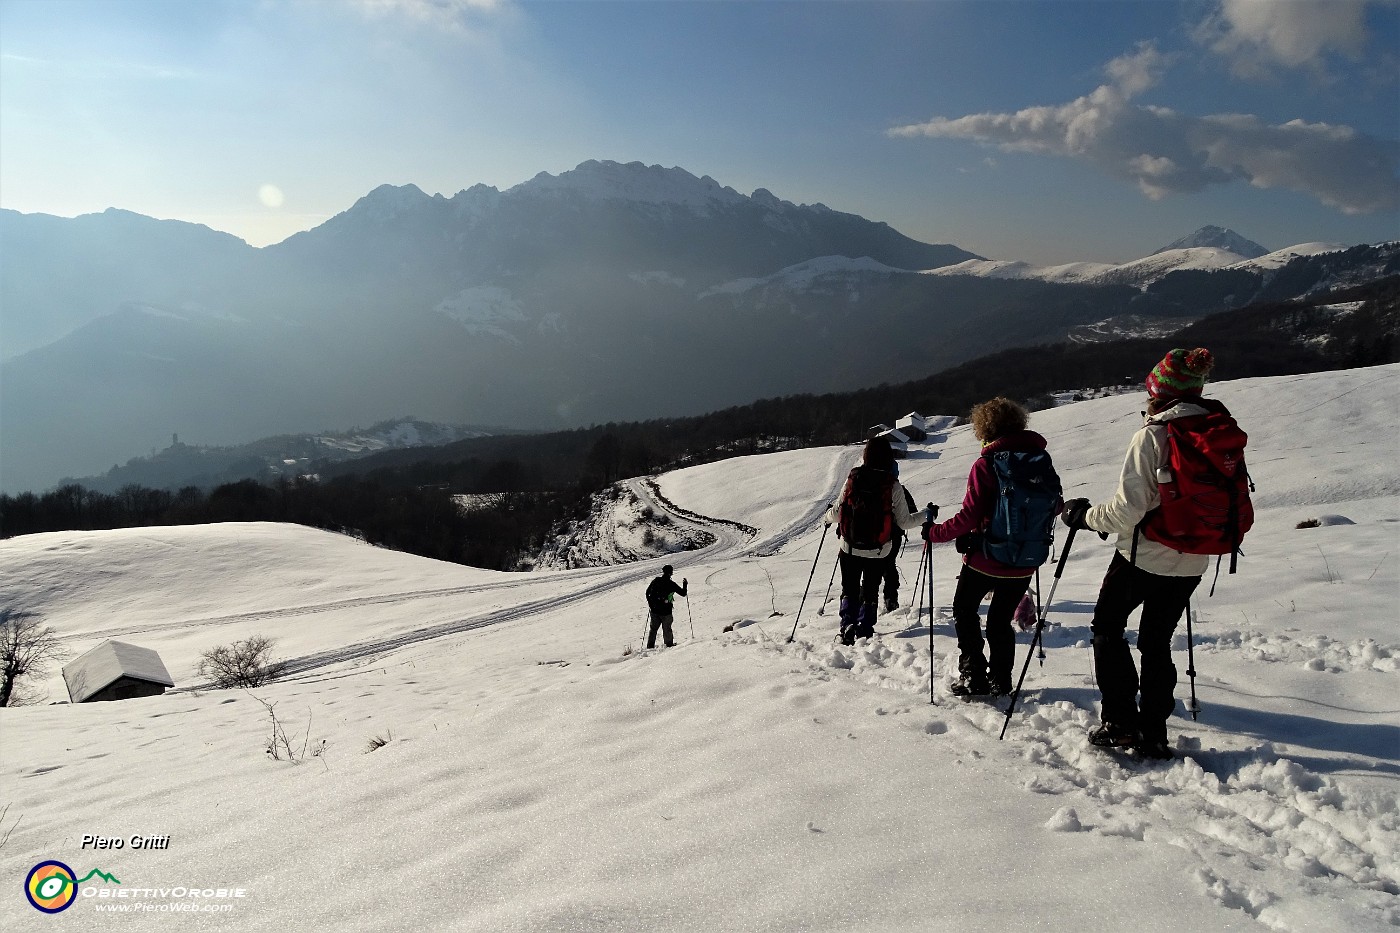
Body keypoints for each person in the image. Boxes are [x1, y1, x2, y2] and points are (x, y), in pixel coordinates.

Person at [1062, 347, 1219, 759]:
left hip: (1143, 555)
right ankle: (1153, 731)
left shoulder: (1154, 435)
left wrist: (1083, 518)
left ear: (1157, 391)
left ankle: (1119, 722)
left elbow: (1127, 510)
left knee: (1108, 628)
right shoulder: (1216, 431)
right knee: (1156, 641)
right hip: (1194, 558)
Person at [922, 397, 1058, 696]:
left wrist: (934, 533)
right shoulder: (1041, 461)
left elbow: (969, 515)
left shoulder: (986, 464)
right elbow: (1055, 505)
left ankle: (973, 675)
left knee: (964, 609)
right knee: (1000, 621)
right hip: (1025, 560)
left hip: (985, 558)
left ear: (985, 429)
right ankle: (1001, 679)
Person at [824, 435, 929, 646]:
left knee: (849, 588)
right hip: (879, 551)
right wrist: (927, 514)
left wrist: (826, 517)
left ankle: (847, 625)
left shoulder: (853, 479)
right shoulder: (893, 486)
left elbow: (836, 514)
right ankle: (865, 629)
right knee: (870, 589)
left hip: (849, 548)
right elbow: (906, 522)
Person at [644, 565, 688, 649]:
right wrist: (685, 585)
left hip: (654, 610)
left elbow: (647, 593)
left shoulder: (656, 581)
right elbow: (683, 593)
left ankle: (650, 646)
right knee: (667, 629)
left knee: (653, 629)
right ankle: (669, 646)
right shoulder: (671, 584)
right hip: (666, 611)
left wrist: (651, 604)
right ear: (671, 573)